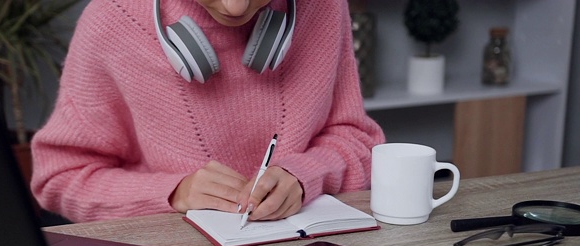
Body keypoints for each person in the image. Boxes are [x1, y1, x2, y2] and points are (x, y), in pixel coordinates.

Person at [31, 0, 385, 223]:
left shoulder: (322, 7)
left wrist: (304, 175)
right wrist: (175, 193)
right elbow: (60, 179)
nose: (235, 7)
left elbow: (357, 140)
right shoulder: (113, 20)